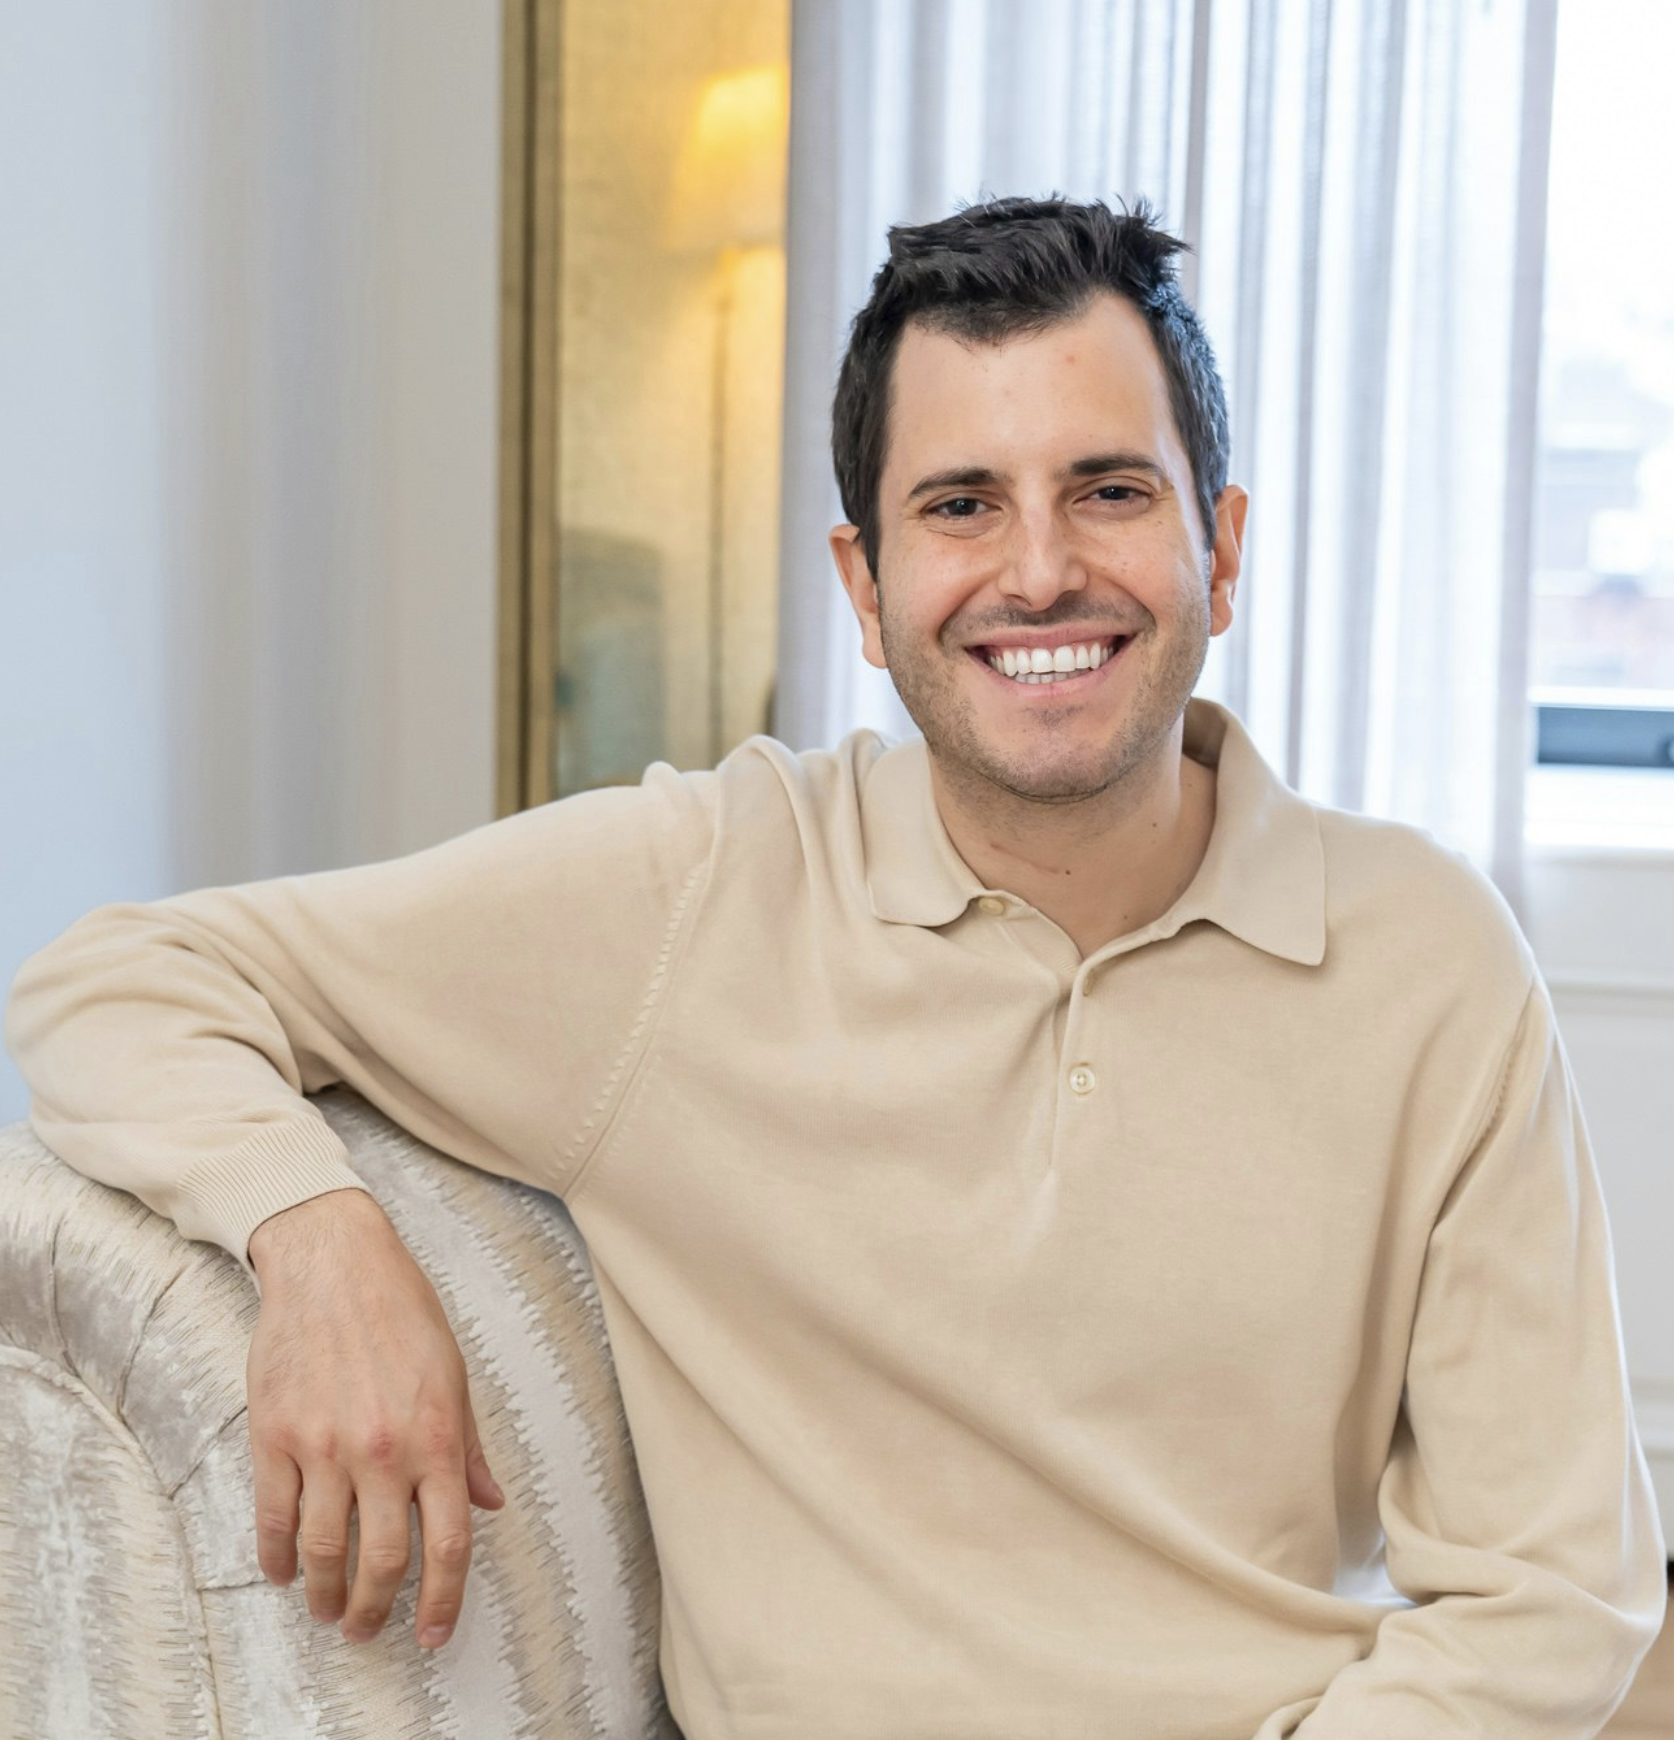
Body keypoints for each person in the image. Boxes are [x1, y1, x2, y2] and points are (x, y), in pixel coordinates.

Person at [5, 196, 1666, 1738]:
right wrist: (318, 1240)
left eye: (1108, 490)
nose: (1038, 571)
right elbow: (120, 978)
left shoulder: (1425, 957)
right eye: (960, 505)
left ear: (1218, 551)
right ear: (864, 589)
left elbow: (1551, 1587)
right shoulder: (694, 894)